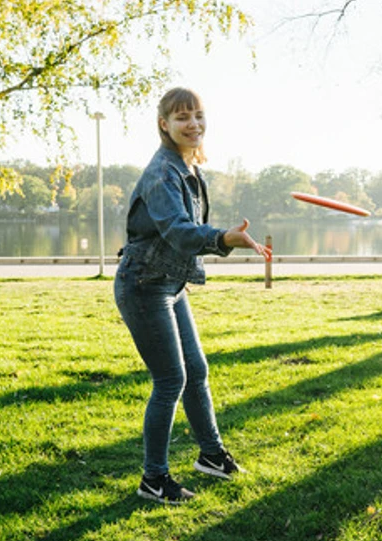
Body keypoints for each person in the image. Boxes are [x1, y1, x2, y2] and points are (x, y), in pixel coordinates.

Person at [114, 87, 269, 504]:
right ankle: (154, 479)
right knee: (171, 380)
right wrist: (224, 238)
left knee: (196, 370)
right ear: (164, 124)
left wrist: (221, 237)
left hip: (170, 284)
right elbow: (180, 232)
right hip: (144, 285)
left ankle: (212, 456)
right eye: (182, 118)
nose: (194, 124)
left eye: (198, 116)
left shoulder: (188, 168)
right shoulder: (163, 172)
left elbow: (182, 232)